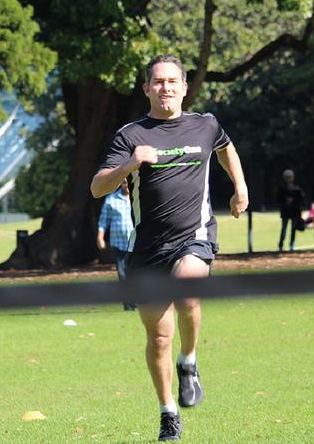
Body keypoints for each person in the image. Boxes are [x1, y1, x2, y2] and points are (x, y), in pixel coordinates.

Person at [91, 54, 248, 442]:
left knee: (187, 289)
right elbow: (97, 187)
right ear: (147, 89)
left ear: (184, 86)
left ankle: (189, 360)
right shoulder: (130, 135)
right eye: (158, 82)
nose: (165, 88)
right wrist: (129, 166)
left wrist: (240, 188)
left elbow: (226, 149)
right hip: (147, 249)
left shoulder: (205, 124)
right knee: (158, 336)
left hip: (194, 235)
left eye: (172, 81)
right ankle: (168, 412)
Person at [96, 178, 136, 311]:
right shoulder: (111, 200)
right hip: (119, 242)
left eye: (128, 183)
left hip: (137, 243)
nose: (126, 185)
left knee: (135, 273)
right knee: (123, 274)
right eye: (124, 182)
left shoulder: (138, 196)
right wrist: (100, 237)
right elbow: (103, 221)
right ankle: (128, 304)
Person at [276, 169, 305, 251]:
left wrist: (294, 201)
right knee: (284, 229)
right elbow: (278, 200)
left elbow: (301, 200)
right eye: (287, 177)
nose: (289, 178)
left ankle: (292, 245)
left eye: (290, 177)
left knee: (293, 229)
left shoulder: (297, 188)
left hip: (295, 212)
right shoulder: (281, 188)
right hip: (285, 212)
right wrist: (285, 201)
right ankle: (281, 244)